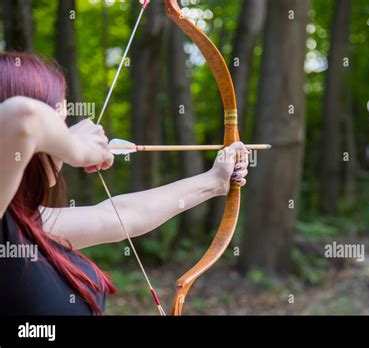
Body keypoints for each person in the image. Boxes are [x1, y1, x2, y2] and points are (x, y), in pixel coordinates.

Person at [0, 52, 249, 315]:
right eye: (60, 125)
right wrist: (77, 149)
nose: (65, 131)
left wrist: (214, 181)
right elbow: (24, 118)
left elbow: (123, 215)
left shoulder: (25, 225)